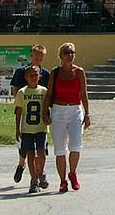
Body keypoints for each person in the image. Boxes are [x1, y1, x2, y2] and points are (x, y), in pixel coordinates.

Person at [42, 42, 91, 193]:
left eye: (72, 53)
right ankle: (63, 180)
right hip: (58, 111)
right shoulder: (55, 73)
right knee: (60, 149)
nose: (70, 56)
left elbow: (83, 94)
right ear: (60, 56)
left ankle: (73, 173)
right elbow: (49, 93)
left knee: (76, 145)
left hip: (75, 110)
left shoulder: (79, 72)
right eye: (66, 53)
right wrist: (45, 112)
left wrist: (87, 113)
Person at [10, 45, 51, 188]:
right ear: (31, 56)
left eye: (41, 58)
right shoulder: (22, 71)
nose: (38, 60)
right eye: (36, 57)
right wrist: (21, 101)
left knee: (41, 150)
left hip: (39, 120)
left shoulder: (45, 74)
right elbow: (15, 89)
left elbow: (48, 96)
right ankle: (21, 165)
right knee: (25, 150)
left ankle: (40, 173)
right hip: (26, 112)